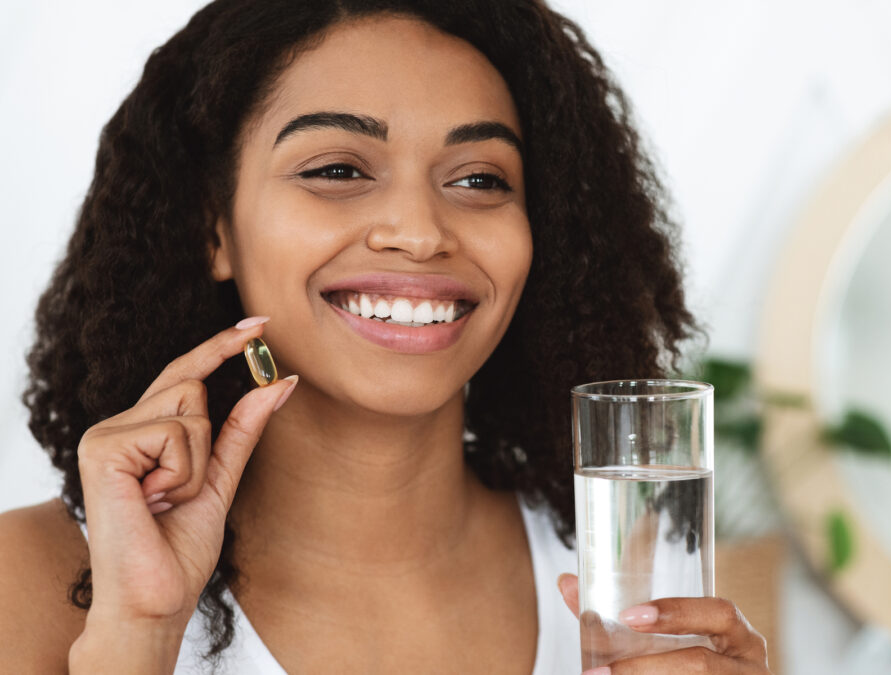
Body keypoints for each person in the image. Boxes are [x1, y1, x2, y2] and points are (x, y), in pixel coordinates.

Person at [0, 1, 770, 673]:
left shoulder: (641, 585)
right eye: (337, 169)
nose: (419, 232)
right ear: (213, 227)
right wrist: (139, 637)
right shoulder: (36, 580)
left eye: (479, 179)